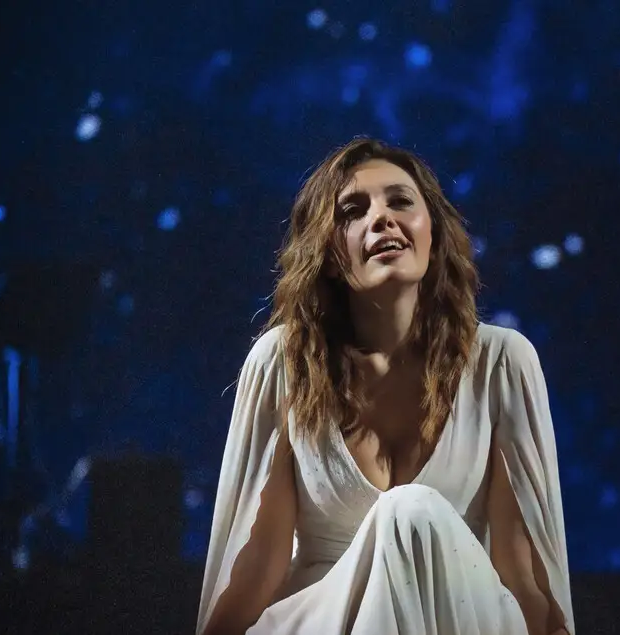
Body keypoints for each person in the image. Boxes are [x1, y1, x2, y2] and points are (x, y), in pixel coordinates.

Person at [196, 137, 574, 635]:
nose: (381, 219)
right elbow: (259, 565)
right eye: (353, 211)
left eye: (400, 202)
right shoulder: (285, 364)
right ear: (330, 253)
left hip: (454, 617)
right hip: (332, 619)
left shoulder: (502, 363)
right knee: (404, 511)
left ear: (432, 232)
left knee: (411, 511)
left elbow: (519, 571)